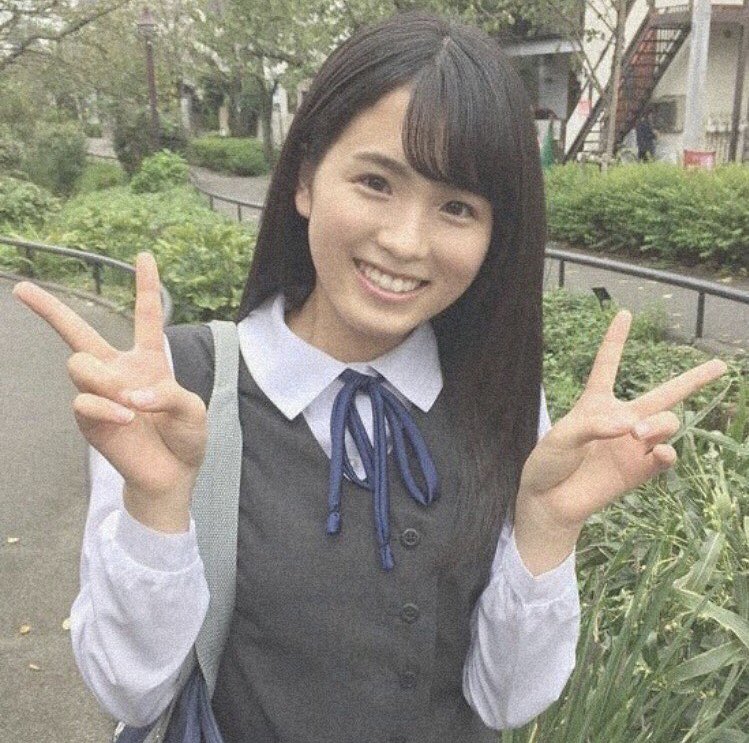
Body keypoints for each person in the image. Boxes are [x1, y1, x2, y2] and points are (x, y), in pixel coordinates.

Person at [12, 12, 726, 743]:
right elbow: (130, 691)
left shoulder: (502, 403)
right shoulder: (176, 392)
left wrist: (547, 525)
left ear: (495, 233)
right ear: (304, 180)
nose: (405, 241)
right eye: (376, 182)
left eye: (457, 207)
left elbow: (507, 703)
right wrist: (157, 505)